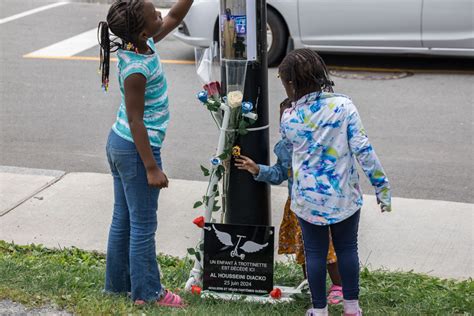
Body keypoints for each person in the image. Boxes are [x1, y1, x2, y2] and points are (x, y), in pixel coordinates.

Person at [278, 49, 392, 316]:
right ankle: (352, 307)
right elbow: (364, 150)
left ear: (292, 83)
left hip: (308, 200)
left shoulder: (290, 117)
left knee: (315, 253)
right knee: (347, 248)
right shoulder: (344, 107)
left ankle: (319, 310)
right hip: (344, 197)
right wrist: (381, 187)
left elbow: (287, 147)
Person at [97, 0, 193, 308]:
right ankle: (148, 293)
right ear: (141, 30)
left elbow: (176, 14)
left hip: (121, 142)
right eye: (155, 15)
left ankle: (117, 286)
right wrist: (151, 167)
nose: (161, 15)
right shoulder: (136, 68)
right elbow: (137, 121)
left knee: (123, 218)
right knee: (142, 225)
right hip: (136, 149)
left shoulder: (143, 43)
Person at [235, 99, 343, 305]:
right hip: (296, 204)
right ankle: (311, 283)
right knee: (305, 248)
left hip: (320, 204)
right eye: (282, 120)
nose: (286, 124)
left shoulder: (319, 141)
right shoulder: (285, 147)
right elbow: (279, 173)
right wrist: (257, 169)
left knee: (326, 246)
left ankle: (338, 285)